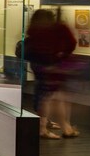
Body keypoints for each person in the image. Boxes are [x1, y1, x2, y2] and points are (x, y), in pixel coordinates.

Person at [24, 9, 79, 139]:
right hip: (53, 65)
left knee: (47, 96)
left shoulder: (34, 30)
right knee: (53, 97)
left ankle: (60, 127)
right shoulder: (57, 28)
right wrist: (62, 55)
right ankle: (50, 128)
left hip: (38, 66)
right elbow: (71, 43)